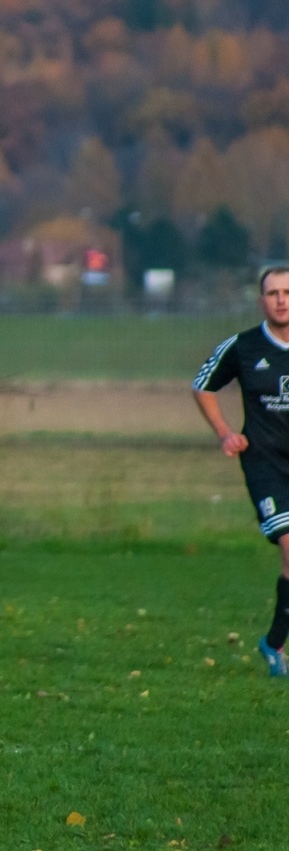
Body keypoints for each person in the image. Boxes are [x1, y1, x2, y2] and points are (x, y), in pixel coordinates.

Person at [193, 265, 289, 676]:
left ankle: (273, 644)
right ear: (260, 300)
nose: (282, 300)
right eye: (273, 293)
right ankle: (274, 648)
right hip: (265, 464)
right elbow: (203, 386)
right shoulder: (244, 347)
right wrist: (224, 433)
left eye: (288, 292)